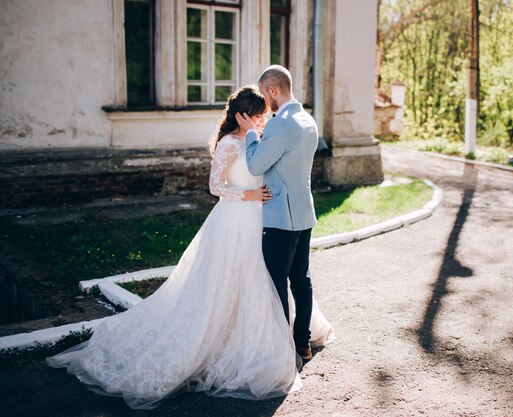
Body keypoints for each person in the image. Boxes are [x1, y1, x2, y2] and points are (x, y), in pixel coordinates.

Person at [47, 86, 334, 410]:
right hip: (234, 220)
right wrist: (249, 196)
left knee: (265, 280)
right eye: (256, 115)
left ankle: (279, 338)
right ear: (241, 116)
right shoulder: (229, 143)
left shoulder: (262, 136)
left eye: (264, 114)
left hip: (262, 220)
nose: (262, 119)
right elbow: (216, 186)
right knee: (226, 284)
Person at [236, 65, 319, 361]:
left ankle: (282, 349)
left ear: (273, 90)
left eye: (264, 93)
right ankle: (303, 344)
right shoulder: (308, 120)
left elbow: (256, 165)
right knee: (302, 280)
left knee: (276, 284)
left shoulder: (279, 124)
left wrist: (249, 135)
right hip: (303, 214)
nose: (263, 101)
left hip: (280, 219)